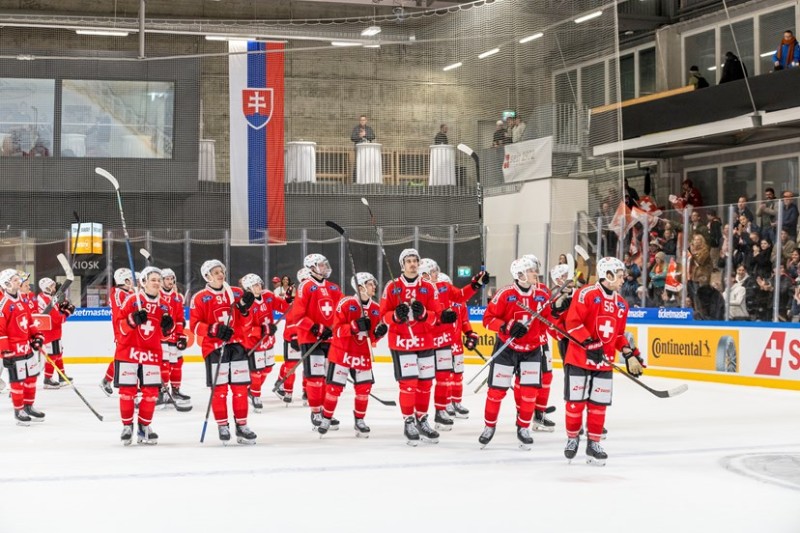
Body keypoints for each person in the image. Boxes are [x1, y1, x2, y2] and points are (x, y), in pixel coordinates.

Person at [562, 257, 643, 466]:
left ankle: (594, 443)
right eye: (619, 275)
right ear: (608, 275)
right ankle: (572, 438)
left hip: (603, 362)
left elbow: (618, 335)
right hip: (579, 359)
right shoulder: (586, 294)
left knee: (599, 406)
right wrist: (589, 343)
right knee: (575, 404)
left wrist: (629, 354)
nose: (623, 279)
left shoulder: (622, 304)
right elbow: (572, 323)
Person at [476, 256, 550, 450]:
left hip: (532, 350)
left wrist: (557, 313)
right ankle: (489, 426)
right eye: (531, 270)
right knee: (496, 391)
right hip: (506, 349)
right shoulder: (505, 294)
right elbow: (487, 319)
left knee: (529, 393)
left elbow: (548, 321)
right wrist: (506, 326)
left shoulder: (542, 295)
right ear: (520, 274)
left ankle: (523, 428)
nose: (535, 273)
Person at [379, 248, 444, 445]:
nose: (413, 264)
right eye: (408, 261)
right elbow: (382, 316)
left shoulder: (429, 287)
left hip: (425, 341)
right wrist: (395, 316)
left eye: (415, 260)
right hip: (402, 342)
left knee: (425, 384)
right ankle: (408, 421)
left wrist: (424, 314)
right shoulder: (392, 286)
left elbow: (438, 316)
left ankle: (422, 419)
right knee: (409, 384)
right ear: (402, 265)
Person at [189, 259, 258, 445]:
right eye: (216, 272)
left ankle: (242, 426)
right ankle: (223, 425)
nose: (221, 274)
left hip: (237, 346)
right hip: (214, 348)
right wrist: (214, 330)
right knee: (219, 391)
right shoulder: (199, 297)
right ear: (207, 276)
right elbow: (194, 326)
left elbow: (247, 323)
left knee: (240, 389)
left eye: (221, 271)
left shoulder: (236, 292)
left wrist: (244, 311)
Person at [319, 272, 387, 436]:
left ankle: (359, 420)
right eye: (370, 284)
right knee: (334, 388)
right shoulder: (346, 303)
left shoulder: (376, 309)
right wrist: (354, 326)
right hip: (342, 353)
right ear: (361, 287)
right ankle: (326, 418)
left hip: (362, 354)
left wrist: (379, 333)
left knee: (364, 389)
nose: (374, 287)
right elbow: (337, 330)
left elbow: (371, 338)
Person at [114, 267, 175, 445]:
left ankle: (144, 426)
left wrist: (168, 328)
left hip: (151, 354)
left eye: (159, 280)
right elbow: (119, 327)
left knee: (151, 394)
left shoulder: (165, 305)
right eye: (153, 279)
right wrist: (132, 320)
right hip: (128, 352)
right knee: (127, 392)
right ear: (144, 282)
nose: (157, 283)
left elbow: (164, 337)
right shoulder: (132, 300)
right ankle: (127, 426)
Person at [284, 253, 343, 431]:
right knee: (315, 378)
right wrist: (315, 328)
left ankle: (326, 411)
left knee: (327, 379)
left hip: (330, 339)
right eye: (321, 265)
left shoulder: (333, 287)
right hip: (311, 339)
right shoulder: (306, 286)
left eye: (325, 264)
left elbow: (342, 309)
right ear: (312, 267)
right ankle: (316, 411)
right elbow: (298, 315)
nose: (325, 267)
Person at [0, 269, 46, 425]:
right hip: (14, 350)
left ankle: (28, 406)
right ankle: (18, 409)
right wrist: (5, 352)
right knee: (17, 381)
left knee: (31, 377)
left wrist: (36, 336)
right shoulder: (3, 305)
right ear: (6, 284)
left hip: (26, 348)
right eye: (14, 280)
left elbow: (29, 321)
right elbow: (1, 331)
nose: (18, 281)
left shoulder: (22, 300)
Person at [241, 273, 287, 413]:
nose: (259, 286)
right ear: (248, 288)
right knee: (257, 371)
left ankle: (251, 390)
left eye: (259, 283)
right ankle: (255, 395)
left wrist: (291, 300)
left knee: (267, 369)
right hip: (254, 343)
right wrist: (261, 330)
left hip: (268, 341)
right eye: (255, 285)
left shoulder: (267, 296)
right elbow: (245, 328)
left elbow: (282, 306)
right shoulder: (247, 304)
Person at [274, 267, 309, 405]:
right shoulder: (295, 292)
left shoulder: (313, 294)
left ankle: (307, 391)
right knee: (291, 365)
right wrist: (294, 335)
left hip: (308, 337)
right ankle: (287, 390)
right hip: (292, 337)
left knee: (309, 365)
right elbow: (291, 317)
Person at [157, 268, 191, 411]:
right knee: (164, 365)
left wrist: (180, 335)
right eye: (167, 279)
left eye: (172, 279)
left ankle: (175, 391)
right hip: (161, 336)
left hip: (173, 336)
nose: (170, 281)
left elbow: (179, 318)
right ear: (161, 281)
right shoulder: (157, 295)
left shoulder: (177, 297)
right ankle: (162, 392)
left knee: (178, 363)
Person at [100, 268, 135, 396]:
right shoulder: (118, 294)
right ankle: (112, 382)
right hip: (123, 332)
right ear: (124, 280)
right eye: (130, 279)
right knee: (123, 359)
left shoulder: (126, 293)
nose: (132, 281)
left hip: (130, 329)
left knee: (123, 358)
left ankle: (107, 380)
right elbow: (121, 313)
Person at [37, 277, 75, 389]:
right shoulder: (47, 300)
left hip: (53, 332)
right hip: (50, 332)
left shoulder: (46, 296)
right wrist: (67, 312)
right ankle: (47, 379)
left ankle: (62, 376)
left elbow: (55, 313)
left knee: (58, 353)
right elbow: (58, 319)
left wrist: (61, 309)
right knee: (53, 355)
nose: (55, 287)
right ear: (47, 288)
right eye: (52, 286)